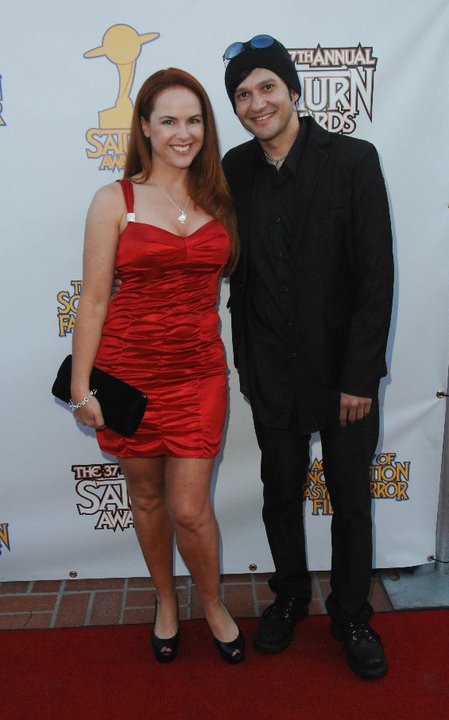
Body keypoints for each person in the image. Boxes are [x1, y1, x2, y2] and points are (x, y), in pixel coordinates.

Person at [222, 35, 394, 679]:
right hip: (269, 367)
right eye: (243, 94)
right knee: (279, 491)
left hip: (342, 372)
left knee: (350, 497)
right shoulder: (233, 170)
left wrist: (359, 375)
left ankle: (351, 613)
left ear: (293, 91)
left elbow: (376, 277)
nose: (256, 102)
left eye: (267, 87)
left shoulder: (353, 160)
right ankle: (291, 596)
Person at [70, 68, 244, 664]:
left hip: (198, 373)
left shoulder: (222, 196)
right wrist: (80, 387)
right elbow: (93, 299)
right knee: (146, 500)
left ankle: (213, 602)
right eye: (168, 120)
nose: (182, 132)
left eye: (193, 120)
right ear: (144, 126)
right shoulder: (112, 200)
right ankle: (165, 602)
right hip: (128, 376)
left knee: (190, 508)